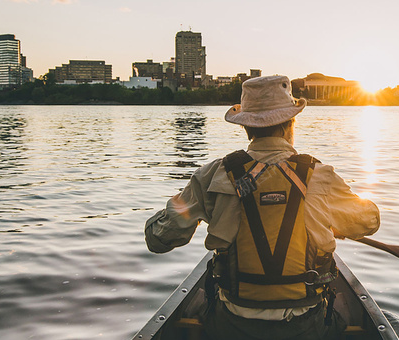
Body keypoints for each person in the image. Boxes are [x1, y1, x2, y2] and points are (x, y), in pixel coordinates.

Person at [145, 75, 380, 339]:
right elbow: (369, 221)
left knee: (200, 307)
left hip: (232, 323)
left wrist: (184, 208)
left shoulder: (211, 175)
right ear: (291, 123)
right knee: (342, 316)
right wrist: (332, 220)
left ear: (246, 127)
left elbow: (158, 240)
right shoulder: (321, 176)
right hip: (306, 326)